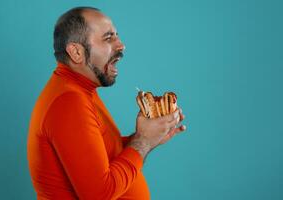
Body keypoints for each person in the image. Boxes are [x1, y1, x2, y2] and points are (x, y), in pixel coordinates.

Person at [27, 6, 186, 200]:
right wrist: (142, 142)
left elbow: (100, 156)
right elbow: (99, 195)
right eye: (108, 38)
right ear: (76, 52)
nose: (121, 45)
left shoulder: (80, 91)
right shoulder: (68, 102)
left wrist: (148, 137)